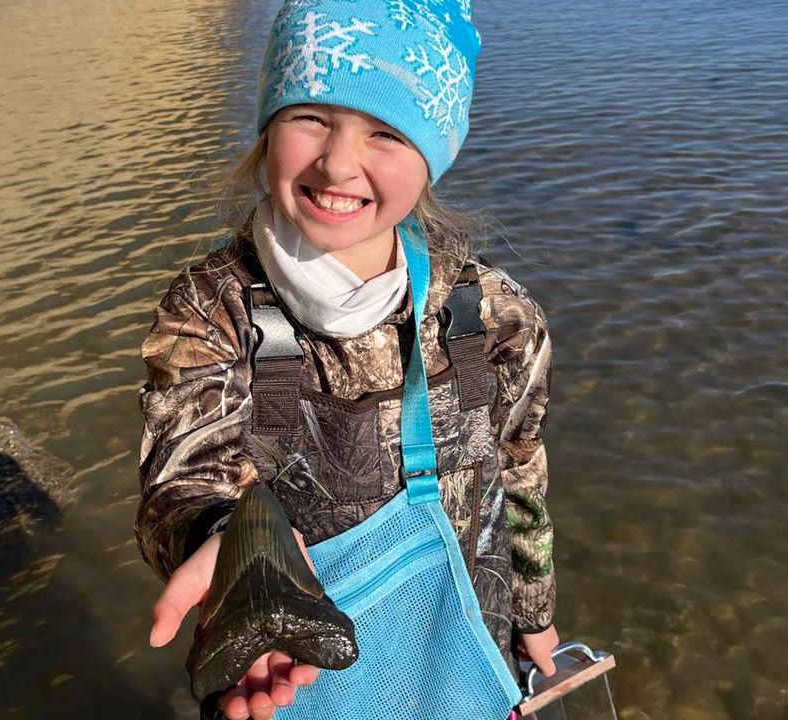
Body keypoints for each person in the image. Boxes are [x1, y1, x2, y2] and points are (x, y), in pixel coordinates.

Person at [135, 2, 558, 719]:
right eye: (310, 117)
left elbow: (520, 464)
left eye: (386, 132)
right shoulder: (212, 312)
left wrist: (536, 611)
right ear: (268, 126)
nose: (337, 162)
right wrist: (233, 549)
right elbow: (181, 474)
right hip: (272, 667)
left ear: (434, 152)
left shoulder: (494, 315)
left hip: (464, 650)